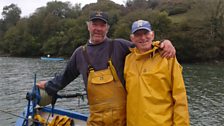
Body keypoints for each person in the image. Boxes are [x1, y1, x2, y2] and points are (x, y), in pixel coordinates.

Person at [37, 11, 176, 126]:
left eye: (102, 25)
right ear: (88, 26)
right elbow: (65, 77)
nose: (98, 28)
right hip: (96, 120)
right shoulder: (80, 53)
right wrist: (48, 86)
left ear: (107, 28)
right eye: (94, 24)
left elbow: (145, 46)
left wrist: (164, 43)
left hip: (123, 119)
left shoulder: (120, 45)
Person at [124, 19, 190, 126]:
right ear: (132, 38)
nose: (143, 38)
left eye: (146, 33)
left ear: (152, 35)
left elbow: (180, 97)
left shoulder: (167, 57)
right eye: (138, 34)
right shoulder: (128, 60)